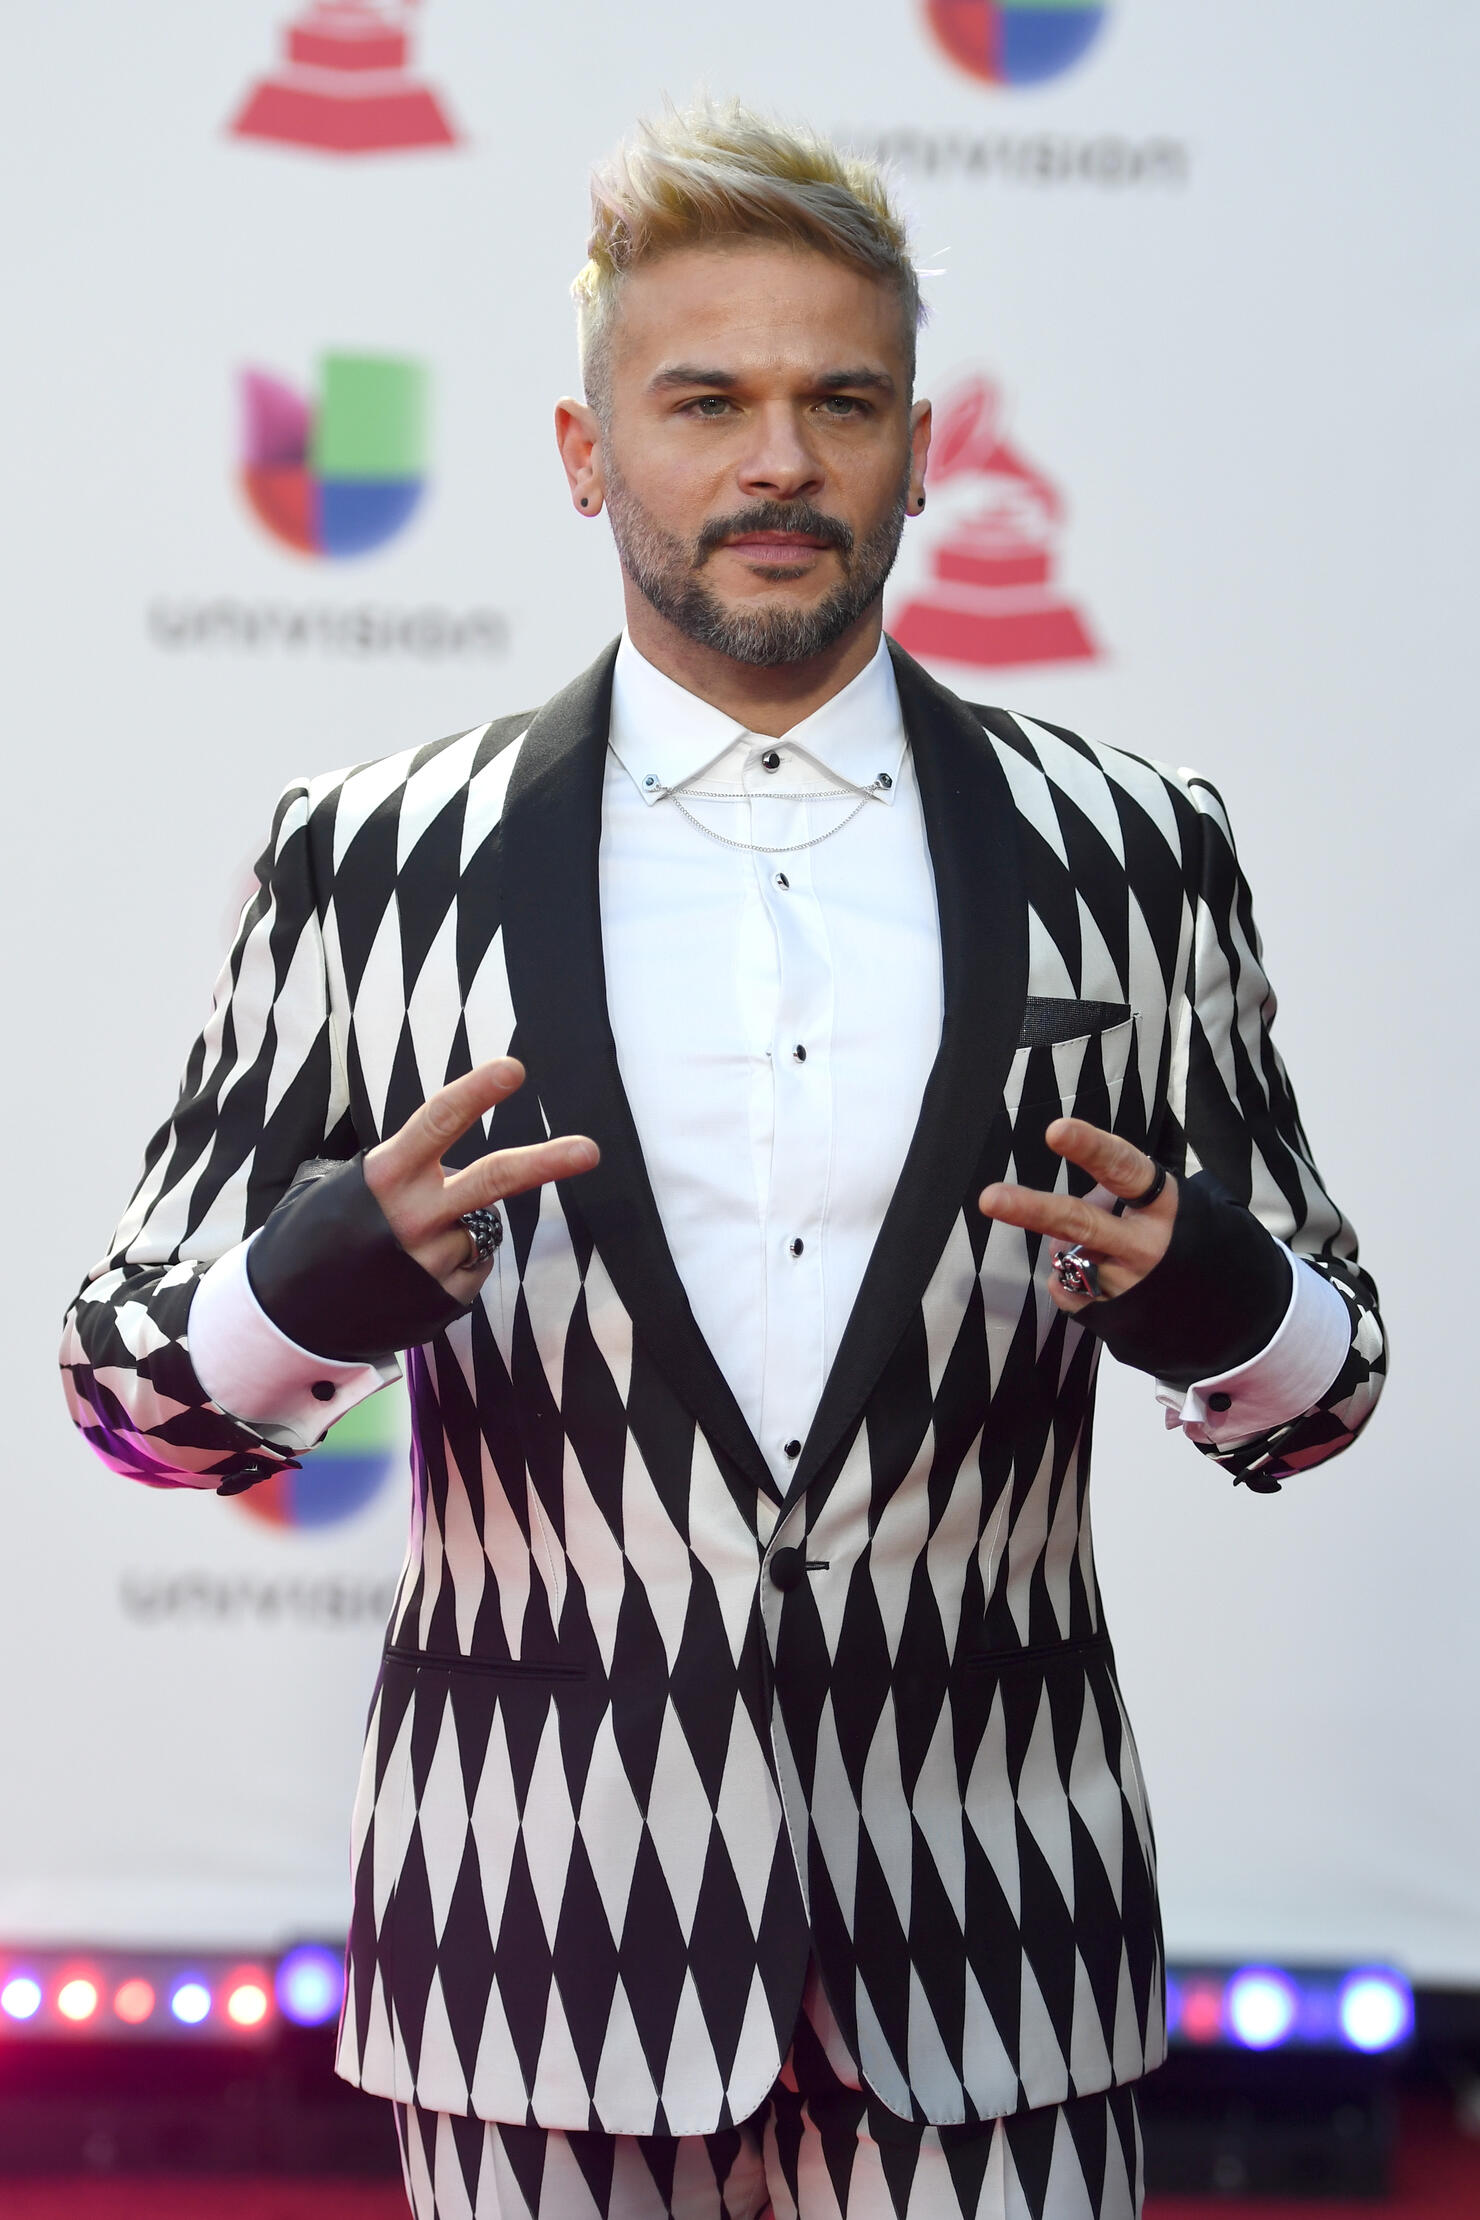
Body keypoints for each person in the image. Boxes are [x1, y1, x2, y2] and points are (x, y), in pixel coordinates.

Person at [62, 102, 1385, 2220]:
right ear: (586, 453)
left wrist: (1202, 1288)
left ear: (919, 445)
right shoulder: (373, 859)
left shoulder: (1129, 852)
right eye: (705, 401)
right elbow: (132, 1401)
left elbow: (1322, 1395)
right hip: (533, 1950)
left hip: (995, 1955)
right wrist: (324, 1280)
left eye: (833, 400)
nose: (775, 460)